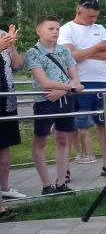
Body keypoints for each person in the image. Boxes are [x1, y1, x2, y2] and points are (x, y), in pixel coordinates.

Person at [59, 0, 106, 177]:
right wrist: (97, 47)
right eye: (90, 16)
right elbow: (69, 57)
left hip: (102, 82)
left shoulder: (100, 29)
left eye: (96, 16)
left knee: (105, 124)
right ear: (79, 11)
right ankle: (64, 170)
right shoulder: (66, 29)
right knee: (71, 127)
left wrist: (82, 52)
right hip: (79, 83)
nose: (94, 20)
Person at [26, 15, 81, 195]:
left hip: (65, 100)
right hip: (45, 101)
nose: (55, 31)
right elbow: (45, 82)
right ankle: (46, 184)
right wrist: (70, 88)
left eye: (57, 28)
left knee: (64, 139)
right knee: (41, 139)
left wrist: (65, 91)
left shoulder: (64, 51)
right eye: (51, 28)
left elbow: (76, 78)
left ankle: (61, 182)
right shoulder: (33, 52)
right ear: (39, 31)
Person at [0, 23, 27, 201]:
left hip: (6, 100)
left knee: (4, 145)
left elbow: (17, 64)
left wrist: (10, 45)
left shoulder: (2, 34)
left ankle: (5, 188)